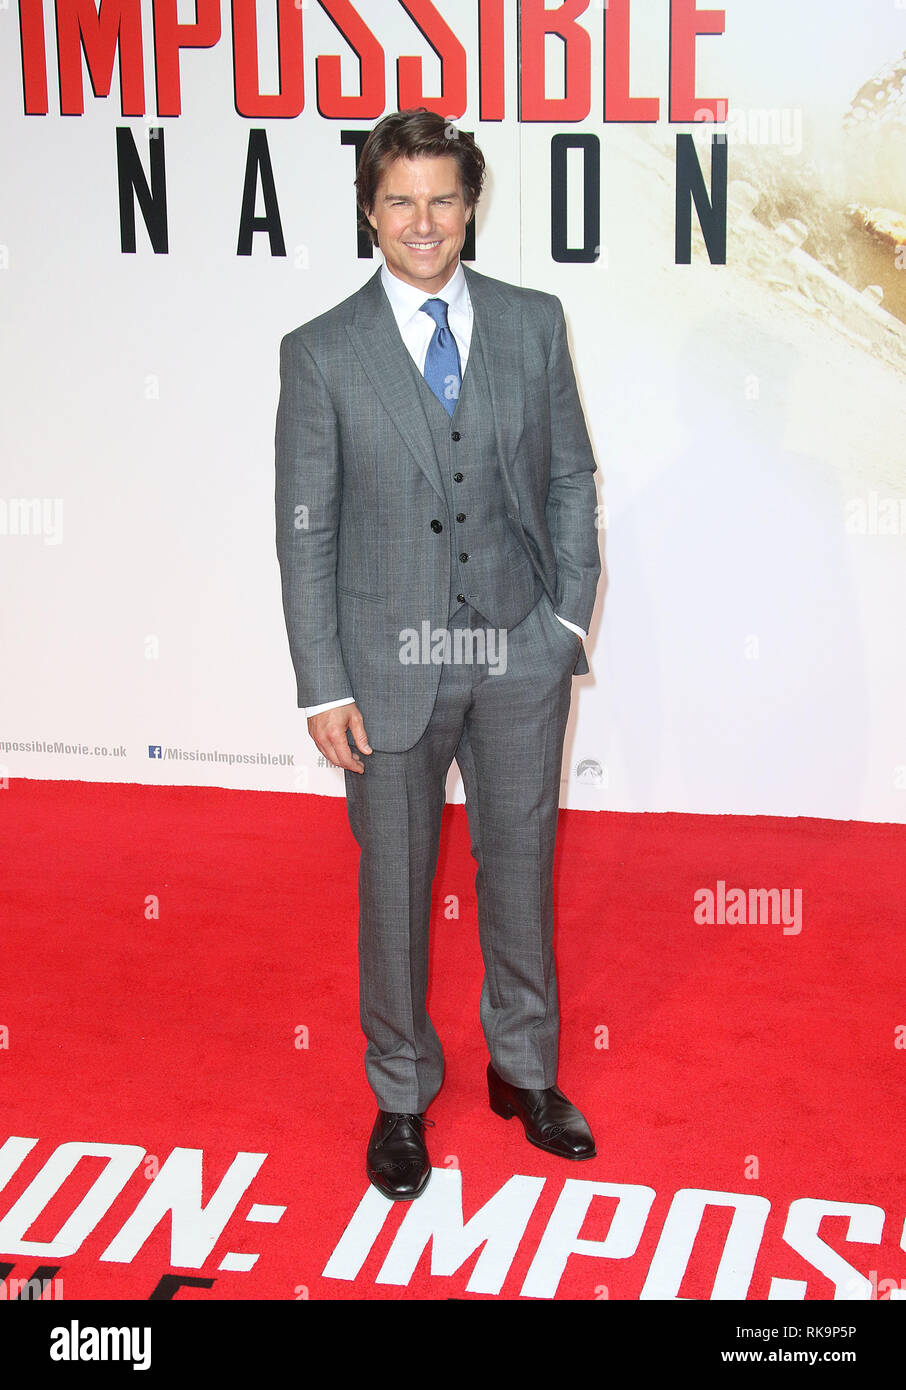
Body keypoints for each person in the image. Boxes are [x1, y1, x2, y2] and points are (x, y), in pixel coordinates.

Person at [275, 109, 601, 1201]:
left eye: (443, 198)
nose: (424, 222)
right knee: (396, 890)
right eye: (401, 199)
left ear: (473, 205)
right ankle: (402, 1093)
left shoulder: (531, 322)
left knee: (520, 871)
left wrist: (563, 625)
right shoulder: (321, 352)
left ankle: (525, 1070)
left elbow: (568, 479)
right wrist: (322, 680)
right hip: (386, 664)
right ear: (370, 208)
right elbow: (305, 525)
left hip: (517, 649)